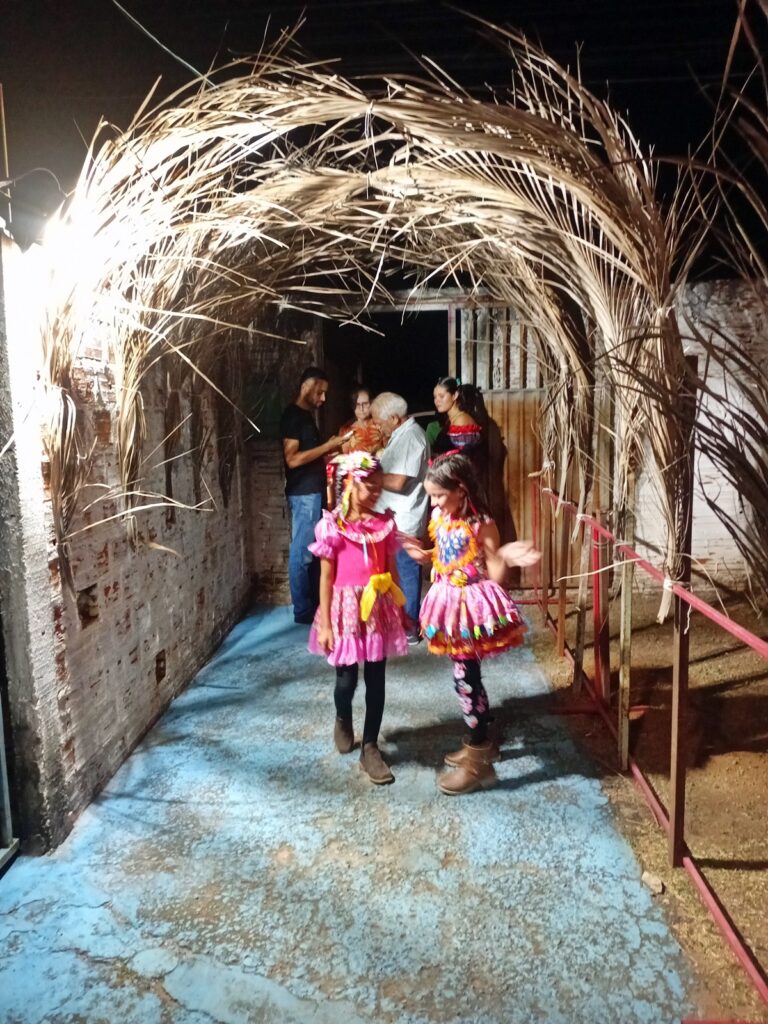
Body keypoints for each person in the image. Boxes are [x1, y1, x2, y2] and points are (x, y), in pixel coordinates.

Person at [401, 451, 540, 795]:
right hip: (446, 602)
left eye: (439, 495)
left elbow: (494, 574)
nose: (434, 502)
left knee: (465, 680)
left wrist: (503, 555)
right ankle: (481, 742)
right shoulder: (441, 516)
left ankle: (479, 761)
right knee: (468, 677)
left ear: (461, 489)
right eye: (431, 495)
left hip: (469, 608)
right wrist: (426, 555)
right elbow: (448, 555)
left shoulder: (482, 524)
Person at [308, 451, 408, 785]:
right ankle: (342, 715)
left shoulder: (383, 526)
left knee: (376, 680)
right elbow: (326, 578)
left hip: (377, 610)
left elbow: (391, 571)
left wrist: (401, 609)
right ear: (350, 483)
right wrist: (326, 624)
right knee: (346, 682)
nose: (376, 492)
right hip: (346, 612)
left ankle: (370, 747)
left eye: (379, 486)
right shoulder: (333, 527)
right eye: (369, 486)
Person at [280, 367, 350, 624]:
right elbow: (293, 459)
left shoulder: (306, 417)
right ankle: (302, 610)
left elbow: (311, 456)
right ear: (306, 387)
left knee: (314, 550)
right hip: (304, 494)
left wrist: (333, 453)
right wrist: (328, 446)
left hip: (313, 492)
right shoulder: (293, 416)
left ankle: (314, 606)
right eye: (320, 392)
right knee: (302, 553)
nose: (323, 398)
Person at [370, 392, 430, 645]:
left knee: (406, 572)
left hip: (404, 518)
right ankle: (399, 621)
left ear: (394, 418)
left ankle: (410, 625)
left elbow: (398, 481)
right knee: (397, 573)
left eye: (379, 422)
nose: (377, 427)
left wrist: (366, 475)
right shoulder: (401, 435)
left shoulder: (412, 437)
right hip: (394, 517)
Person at [432, 376, 484, 459]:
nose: (437, 401)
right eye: (435, 397)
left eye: (441, 396)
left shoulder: (461, 421)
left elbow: (463, 459)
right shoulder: (450, 419)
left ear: (455, 395)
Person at [340, 386, 383, 454]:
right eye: (357, 404)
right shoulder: (346, 430)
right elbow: (345, 455)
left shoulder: (380, 424)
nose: (361, 408)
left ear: (371, 403)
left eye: (365, 404)